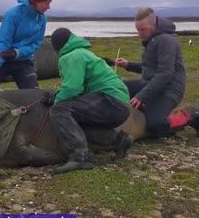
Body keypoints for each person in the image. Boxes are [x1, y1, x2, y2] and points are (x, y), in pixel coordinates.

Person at [42, 28, 134, 175]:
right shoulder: (83, 53)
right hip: (120, 104)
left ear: (57, 47)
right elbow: (81, 88)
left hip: (108, 99)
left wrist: (56, 100)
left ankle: (80, 157)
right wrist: (58, 93)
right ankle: (118, 141)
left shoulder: (71, 56)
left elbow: (73, 89)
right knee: (76, 121)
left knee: (60, 110)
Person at [115, 7, 199, 138]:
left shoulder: (165, 40)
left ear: (153, 25)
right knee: (118, 88)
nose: (139, 34)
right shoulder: (152, 40)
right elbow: (150, 68)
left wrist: (142, 96)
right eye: (137, 29)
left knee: (156, 125)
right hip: (151, 84)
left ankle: (192, 116)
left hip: (169, 89)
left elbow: (165, 73)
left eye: (142, 29)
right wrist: (128, 64)